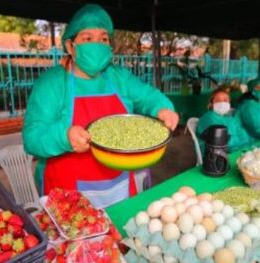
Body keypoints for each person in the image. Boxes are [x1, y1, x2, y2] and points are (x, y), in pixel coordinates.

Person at [22, 4, 178, 208]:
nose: (97, 44)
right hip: (67, 191)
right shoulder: (51, 83)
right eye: (87, 38)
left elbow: (148, 97)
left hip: (119, 185)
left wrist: (163, 108)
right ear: (70, 46)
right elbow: (32, 138)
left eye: (103, 39)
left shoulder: (118, 77)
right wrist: (64, 137)